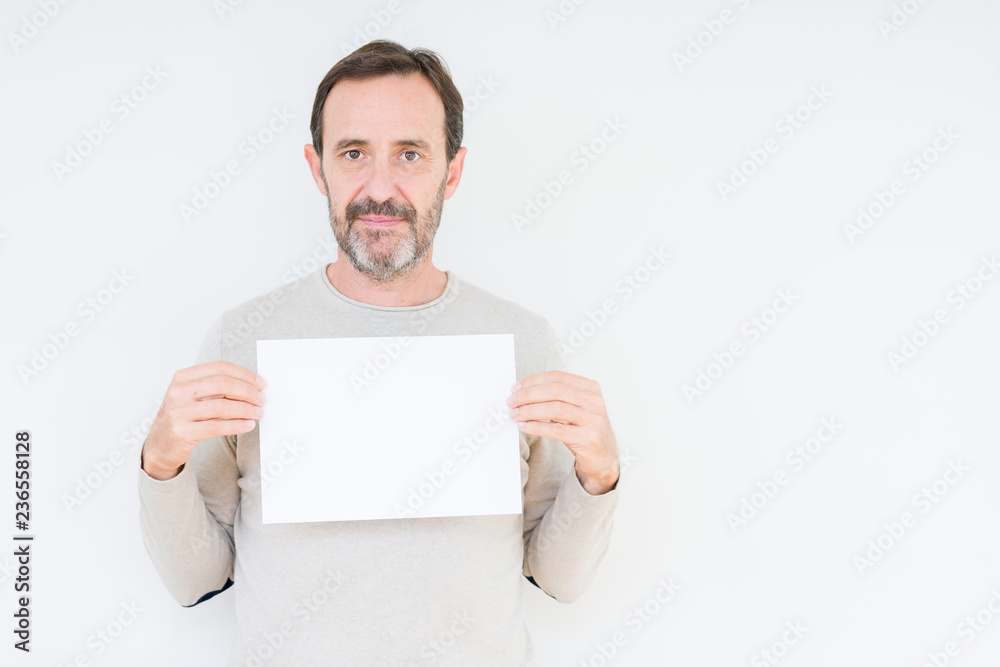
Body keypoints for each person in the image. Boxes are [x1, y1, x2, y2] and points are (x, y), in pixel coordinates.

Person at [138, 40, 621, 666]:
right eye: (353, 152)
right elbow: (196, 580)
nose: (380, 187)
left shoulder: (521, 341)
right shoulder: (243, 340)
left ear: (452, 170)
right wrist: (161, 462)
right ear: (319, 169)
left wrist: (600, 474)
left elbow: (557, 576)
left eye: (411, 154)